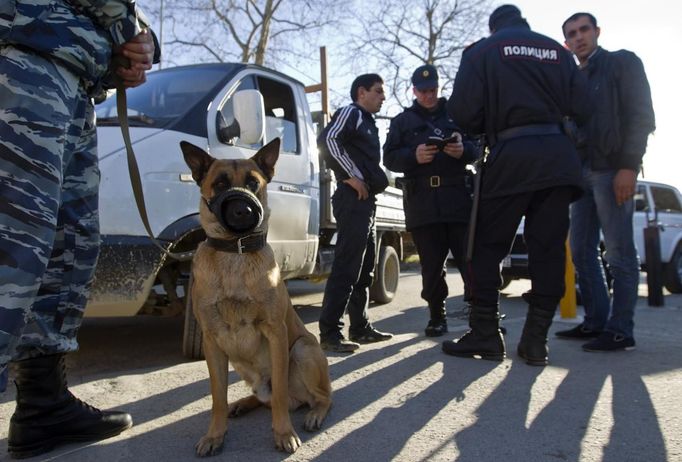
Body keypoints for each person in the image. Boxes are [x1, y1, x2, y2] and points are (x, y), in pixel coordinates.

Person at [0, 1, 159, 458]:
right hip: (21, 56)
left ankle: (43, 406)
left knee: (66, 248)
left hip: (72, 78)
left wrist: (132, 51)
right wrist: (130, 31)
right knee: (13, 245)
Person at [441, 4, 590, 366]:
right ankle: (536, 341)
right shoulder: (558, 51)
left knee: (484, 247)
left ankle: (486, 335)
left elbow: (462, 113)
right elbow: (583, 106)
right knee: (549, 249)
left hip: (511, 156)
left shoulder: (483, 51)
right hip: (558, 158)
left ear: (494, 27)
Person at [555, 13, 655, 351]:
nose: (579, 37)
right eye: (572, 34)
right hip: (579, 173)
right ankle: (595, 322)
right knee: (581, 251)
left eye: (584, 30)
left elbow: (641, 116)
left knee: (619, 252)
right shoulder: (570, 79)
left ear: (597, 32)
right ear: (566, 43)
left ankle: (620, 329)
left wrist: (629, 165)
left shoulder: (621, 63)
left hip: (612, 169)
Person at [383, 64, 477, 337]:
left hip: (457, 198)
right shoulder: (402, 122)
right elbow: (389, 158)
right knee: (432, 265)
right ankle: (437, 316)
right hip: (423, 202)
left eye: (433, 89)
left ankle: (480, 315)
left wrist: (463, 150)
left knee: (469, 260)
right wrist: (413, 156)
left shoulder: (458, 115)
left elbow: (477, 147)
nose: (429, 95)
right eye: (423, 91)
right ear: (414, 91)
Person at [317, 73, 394, 353]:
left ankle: (359, 327)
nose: (383, 97)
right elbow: (328, 140)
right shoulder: (351, 112)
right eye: (378, 91)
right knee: (347, 265)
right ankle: (330, 333)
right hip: (351, 198)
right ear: (361, 92)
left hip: (366, 202)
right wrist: (351, 175)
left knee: (365, 268)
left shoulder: (368, 122)